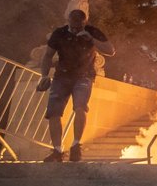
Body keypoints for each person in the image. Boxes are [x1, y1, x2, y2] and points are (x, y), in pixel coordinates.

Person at [35, 9, 115, 162]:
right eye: (73, 25)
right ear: (68, 21)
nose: (76, 29)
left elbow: (110, 51)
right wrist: (44, 76)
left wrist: (91, 39)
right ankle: (57, 150)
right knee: (53, 112)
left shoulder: (92, 31)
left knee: (80, 107)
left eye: (79, 26)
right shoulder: (59, 33)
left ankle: (76, 145)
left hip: (84, 76)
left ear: (84, 22)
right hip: (61, 76)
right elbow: (47, 55)